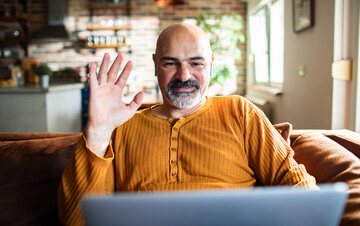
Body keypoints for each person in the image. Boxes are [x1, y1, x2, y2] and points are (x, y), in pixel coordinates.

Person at [58, 23, 317, 225]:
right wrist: (98, 132)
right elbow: (77, 219)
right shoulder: (121, 127)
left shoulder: (240, 112)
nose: (184, 75)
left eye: (196, 63)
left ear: (211, 63)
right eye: (171, 63)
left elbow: (295, 183)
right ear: (155, 66)